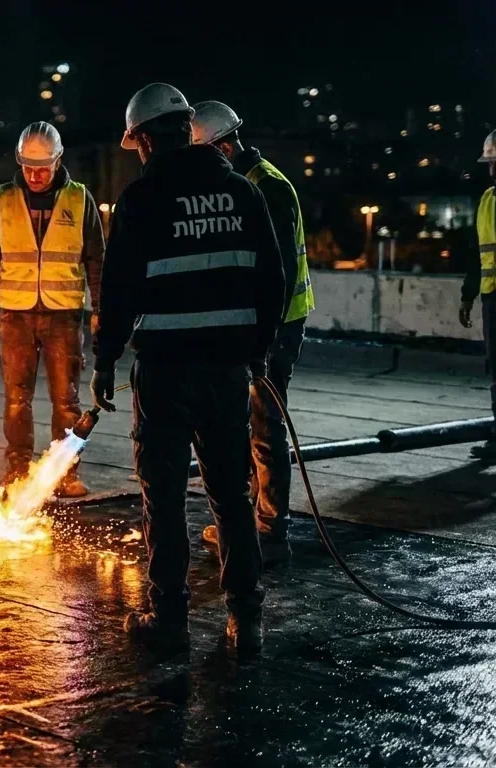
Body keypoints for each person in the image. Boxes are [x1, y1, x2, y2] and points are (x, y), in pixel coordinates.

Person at [92, 84, 285, 654]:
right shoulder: (242, 195)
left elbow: (119, 290)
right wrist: (255, 353)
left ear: (146, 139)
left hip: (165, 374)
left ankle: (168, 619)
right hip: (226, 373)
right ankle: (246, 619)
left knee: (166, 497)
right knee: (232, 494)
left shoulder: (141, 200)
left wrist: (104, 359)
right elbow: (271, 281)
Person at [191, 101, 312, 567]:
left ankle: (270, 530)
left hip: (277, 327)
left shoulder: (268, 188)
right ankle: (245, 522)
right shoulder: (243, 186)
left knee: (265, 424)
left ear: (223, 146)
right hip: (256, 326)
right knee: (244, 423)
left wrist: (260, 340)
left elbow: (275, 275)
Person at [0, 121, 105, 495]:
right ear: (20, 162)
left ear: (59, 161)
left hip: (63, 315)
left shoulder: (79, 199)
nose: (36, 175)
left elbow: (96, 258)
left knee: (67, 402)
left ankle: (65, 471)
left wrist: (100, 308)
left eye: (43, 168)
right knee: (16, 400)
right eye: (29, 167)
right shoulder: (4, 198)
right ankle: (17, 469)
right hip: (15, 315)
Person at [461, 126, 496, 461]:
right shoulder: (487, 201)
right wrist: (468, 294)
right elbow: (477, 255)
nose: (492, 169)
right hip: (493, 298)